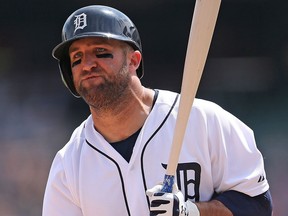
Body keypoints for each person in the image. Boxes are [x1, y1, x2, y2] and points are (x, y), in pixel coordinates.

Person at [42, 5, 273, 216]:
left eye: (101, 52)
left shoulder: (204, 121)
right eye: (76, 58)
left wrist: (191, 212)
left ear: (133, 60)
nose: (88, 64)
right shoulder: (69, 165)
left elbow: (258, 205)